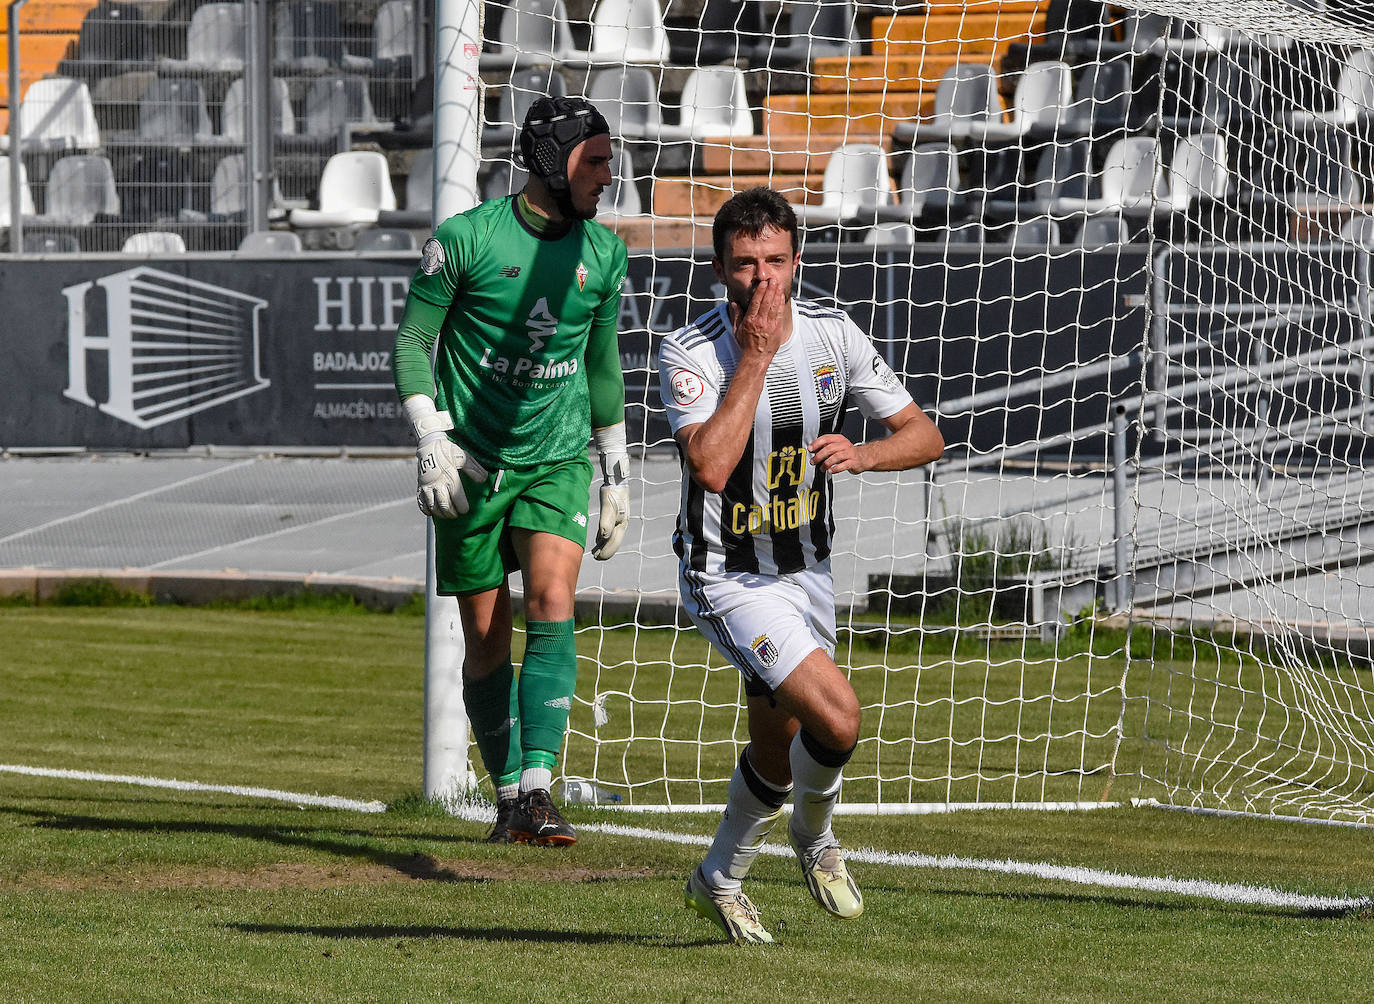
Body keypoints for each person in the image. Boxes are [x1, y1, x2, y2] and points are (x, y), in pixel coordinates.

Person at [658, 187, 944, 942]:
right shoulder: (691, 350)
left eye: (777, 262)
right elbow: (713, 468)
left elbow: (925, 434)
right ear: (720, 269)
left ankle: (718, 877)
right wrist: (753, 356)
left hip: (807, 570)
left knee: (776, 751)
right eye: (746, 265)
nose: (764, 280)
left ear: (796, 261)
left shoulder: (832, 334)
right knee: (839, 719)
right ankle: (815, 840)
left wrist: (866, 452)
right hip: (725, 573)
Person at [392, 96, 631, 847]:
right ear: (552, 162)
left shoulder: (607, 252)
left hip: (557, 458)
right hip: (470, 466)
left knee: (553, 599)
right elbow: (411, 345)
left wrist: (616, 472)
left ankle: (539, 789)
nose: (609, 172)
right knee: (487, 640)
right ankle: (507, 801)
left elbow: (601, 365)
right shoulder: (464, 241)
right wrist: (431, 436)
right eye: (595, 159)